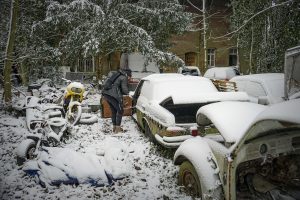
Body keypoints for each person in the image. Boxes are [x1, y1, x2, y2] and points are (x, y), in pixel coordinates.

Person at [101, 68, 132, 133]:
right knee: (120, 110)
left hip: (106, 94)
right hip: (113, 96)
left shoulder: (117, 75)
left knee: (114, 110)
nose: (129, 78)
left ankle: (114, 127)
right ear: (128, 74)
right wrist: (129, 93)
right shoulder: (123, 77)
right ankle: (118, 129)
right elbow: (124, 89)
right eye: (130, 76)